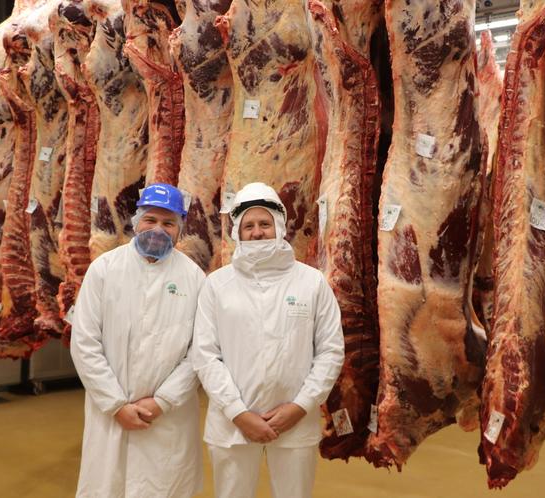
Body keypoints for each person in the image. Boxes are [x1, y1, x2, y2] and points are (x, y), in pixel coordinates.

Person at [192, 182, 345, 498]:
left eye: (265, 224)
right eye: (249, 225)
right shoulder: (217, 286)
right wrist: (238, 412)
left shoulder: (311, 283)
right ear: (237, 232)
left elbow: (330, 351)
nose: (257, 232)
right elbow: (206, 355)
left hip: (296, 422)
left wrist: (301, 406)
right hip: (232, 424)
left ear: (279, 227)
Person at [70, 183, 205, 497]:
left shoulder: (195, 278)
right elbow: (85, 343)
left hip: (167, 416)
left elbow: (199, 352)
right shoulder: (104, 269)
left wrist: (163, 401)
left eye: (168, 223)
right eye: (151, 220)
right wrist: (116, 405)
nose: (158, 229)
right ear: (136, 222)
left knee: (163, 488)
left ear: (179, 230)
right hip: (111, 413)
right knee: (108, 487)